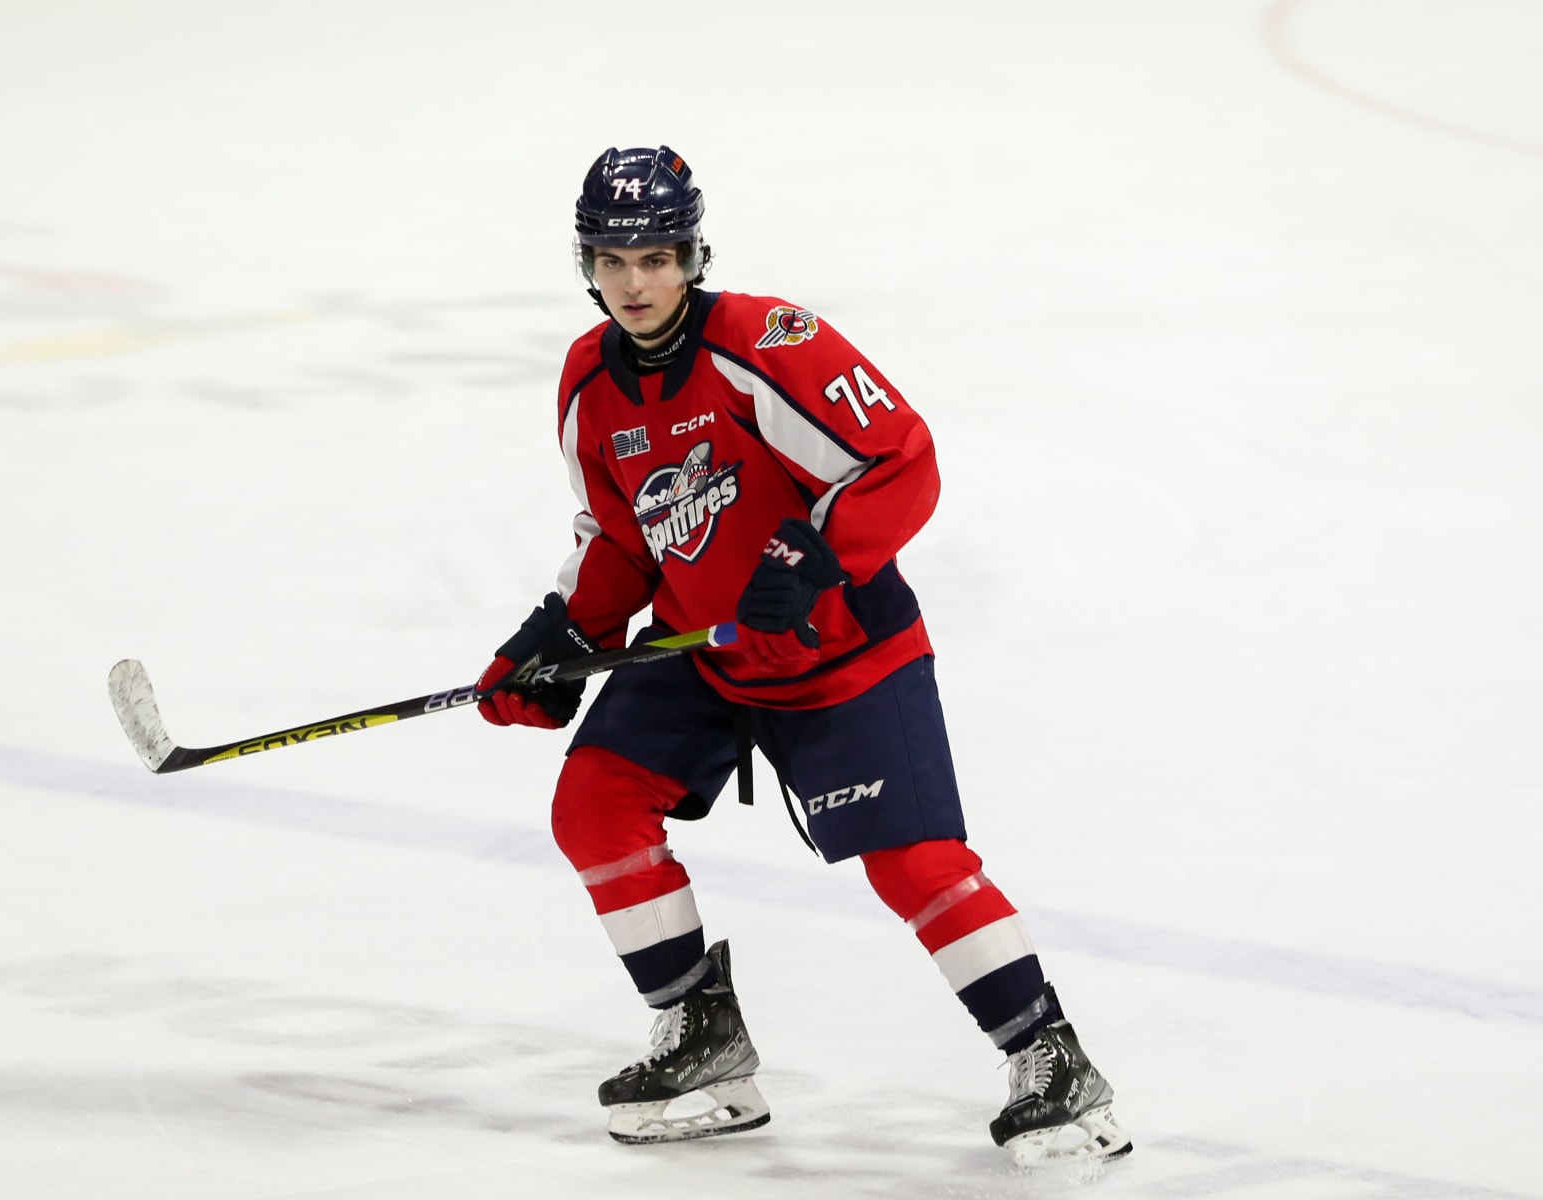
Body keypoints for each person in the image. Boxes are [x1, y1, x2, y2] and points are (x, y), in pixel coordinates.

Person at [474, 145, 1131, 1166]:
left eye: (655, 256)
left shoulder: (766, 341)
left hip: (843, 656)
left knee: (914, 863)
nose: (636, 281)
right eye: (612, 259)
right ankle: (701, 1034)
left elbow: (901, 459)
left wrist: (814, 557)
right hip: (709, 651)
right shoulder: (588, 383)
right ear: (586, 264)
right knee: (593, 801)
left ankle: (1048, 1055)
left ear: (693, 252)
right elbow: (619, 540)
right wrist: (555, 643)